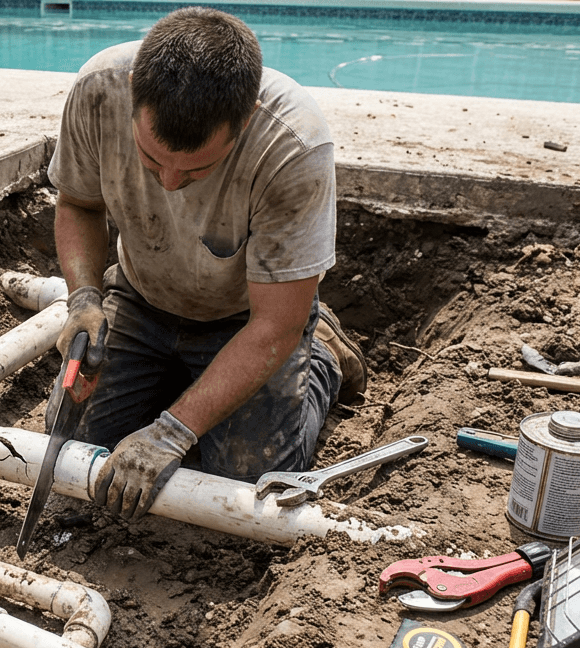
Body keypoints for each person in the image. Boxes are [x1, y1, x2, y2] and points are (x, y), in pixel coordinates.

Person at [47, 6, 367, 522]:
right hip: (141, 300)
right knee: (77, 450)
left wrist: (172, 432)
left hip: (249, 320)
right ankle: (179, 382)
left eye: (197, 169)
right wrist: (84, 298)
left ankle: (322, 355)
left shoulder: (293, 145)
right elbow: (79, 203)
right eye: (152, 161)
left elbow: (273, 325)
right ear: (134, 91)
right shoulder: (98, 91)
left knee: (249, 484)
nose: (169, 183)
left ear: (245, 120)